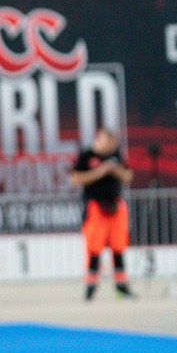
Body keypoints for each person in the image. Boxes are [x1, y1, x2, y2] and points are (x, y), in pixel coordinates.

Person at [69, 128, 135, 300]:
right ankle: (90, 288)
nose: (110, 147)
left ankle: (122, 287)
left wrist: (115, 170)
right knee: (94, 249)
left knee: (118, 247)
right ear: (99, 139)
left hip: (116, 208)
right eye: (107, 143)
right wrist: (101, 171)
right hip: (96, 209)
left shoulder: (116, 155)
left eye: (112, 144)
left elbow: (128, 176)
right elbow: (75, 178)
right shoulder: (87, 155)